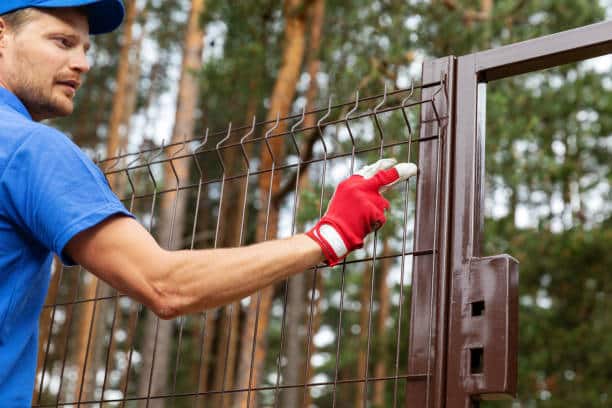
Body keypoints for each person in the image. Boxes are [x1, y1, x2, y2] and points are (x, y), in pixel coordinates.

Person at [0, 0, 417, 404]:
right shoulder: (29, 149)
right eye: (62, 42)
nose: (84, 63)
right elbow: (165, 285)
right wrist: (328, 236)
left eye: (86, 49)